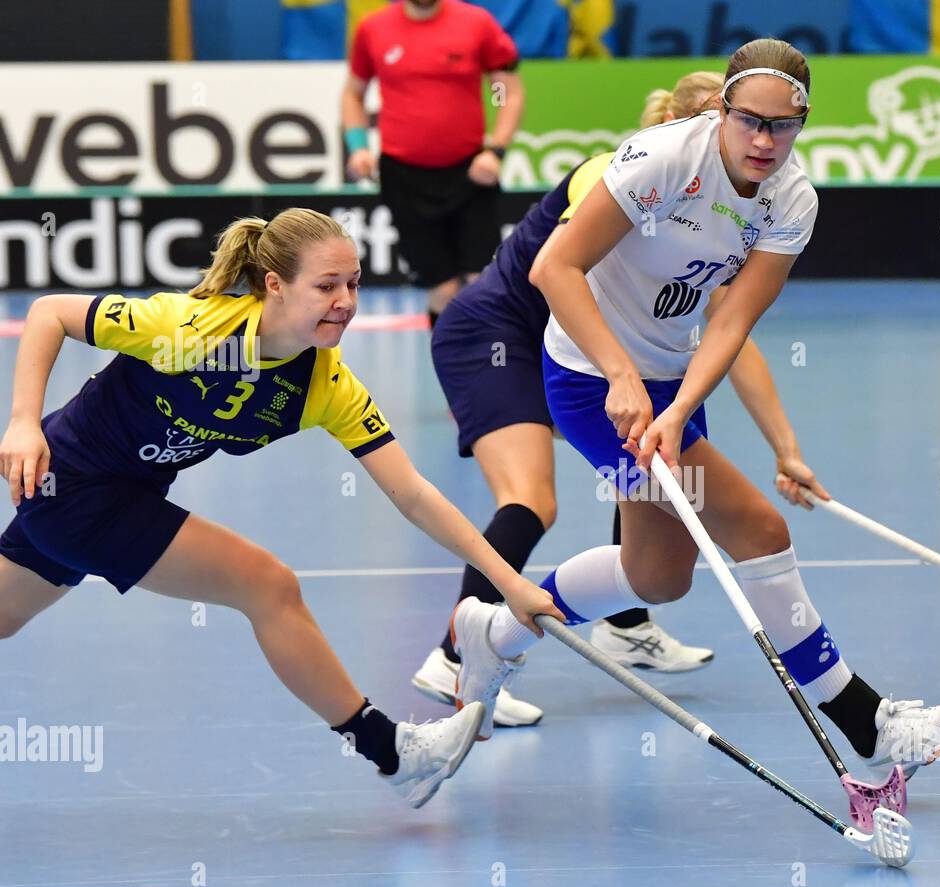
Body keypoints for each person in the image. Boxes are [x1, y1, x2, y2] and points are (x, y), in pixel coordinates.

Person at [445, 39, 940, 783]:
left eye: (783, 126)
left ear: (803, 121)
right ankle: (869, 725)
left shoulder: (793, 200)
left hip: (667, 378)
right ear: (723, 109)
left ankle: (492, 632)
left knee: (658, 573)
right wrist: (621, 376)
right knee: (759, 529)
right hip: (589, 377)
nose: (764, 140)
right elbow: (552, 266)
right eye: (749, 120)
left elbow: (729, 324)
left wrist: (682, 404)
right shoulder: (659, 161)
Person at [0, 208, 561, 807]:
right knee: (268, 586)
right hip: (71, 485)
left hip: (122, 493)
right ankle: (394, 753)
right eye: (326, 286)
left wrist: (509, 583)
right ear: (275, 284)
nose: (344, 301)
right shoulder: (189, 328)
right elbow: (48, 312)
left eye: (353, 283)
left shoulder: (323, 385)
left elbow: (415, 495)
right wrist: (22, 422)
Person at [413, 74, 744, 726]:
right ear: (678, 126)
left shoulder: (704, 206)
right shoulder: (618, 175)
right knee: (532, 498)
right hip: (494, 336)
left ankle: (622, 623)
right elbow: (568, 277)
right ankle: (454, 656)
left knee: (640, 453)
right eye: (717, 125)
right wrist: (622, 374)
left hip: (556, 343)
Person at [342, 0, 523, 328]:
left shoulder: (476, 23)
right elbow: (354, 93)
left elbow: (504, 89)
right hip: (404, 177)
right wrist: (358, 147)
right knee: (442, 288)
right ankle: (452, 371)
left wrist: (495, 149)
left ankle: (493, 366)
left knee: (482, 280)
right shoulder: (374, 29)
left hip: (470, 175)